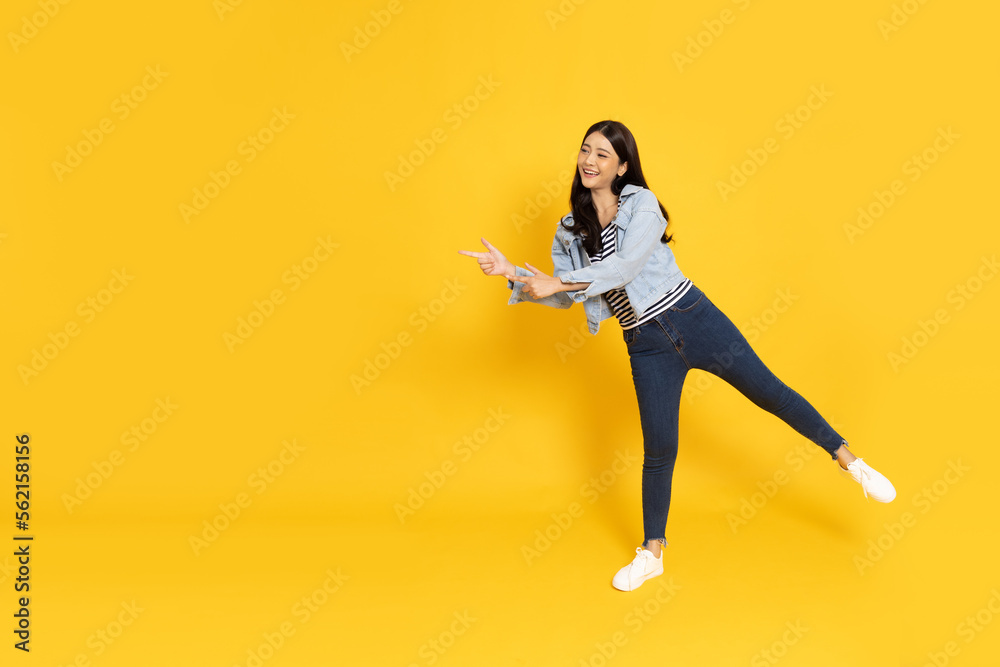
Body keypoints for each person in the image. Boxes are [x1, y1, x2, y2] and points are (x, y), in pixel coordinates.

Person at [458, 120, 896, 592]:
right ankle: (653, 554)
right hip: (644, 343)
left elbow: (622, 266)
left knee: (770, 393)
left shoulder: (642, 205)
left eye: (603, 154)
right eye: (586, 150)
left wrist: (558, 281)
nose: (589, 160)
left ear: (623, 166)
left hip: (692, 316)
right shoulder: (569, 231)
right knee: (660, 448)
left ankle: (851, 462)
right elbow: (564, 296)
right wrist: (515, 276)